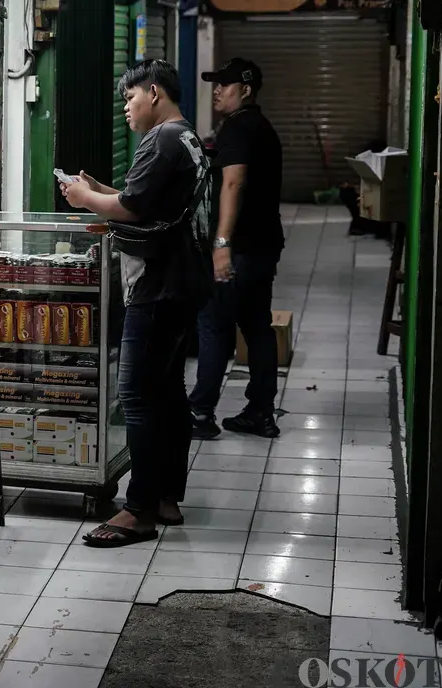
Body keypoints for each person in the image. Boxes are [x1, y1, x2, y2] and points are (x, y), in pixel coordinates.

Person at [61, 60, 212, 548]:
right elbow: (144, 203)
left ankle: (139, 509)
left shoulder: (163, 140)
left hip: (159, 285)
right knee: (166, 393)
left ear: (153, 92)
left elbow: (130, 209)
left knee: (137, 395)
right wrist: (101, 192)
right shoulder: (186, 138)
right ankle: (167, 496)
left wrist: (88, 199)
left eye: (129, 99)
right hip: (182, 280)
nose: (125, 108)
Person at [189, 58, 285, 440]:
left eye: (225, 85)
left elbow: (234, 183)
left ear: (245, 90)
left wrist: (222, 244)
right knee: (257, 327)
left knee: (213, 324)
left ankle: (199, 412)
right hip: (263, 248)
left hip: (241, 248)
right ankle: (260, 411)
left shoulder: (238, 128)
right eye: (215, 84)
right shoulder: (260, 127)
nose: (217, 90)